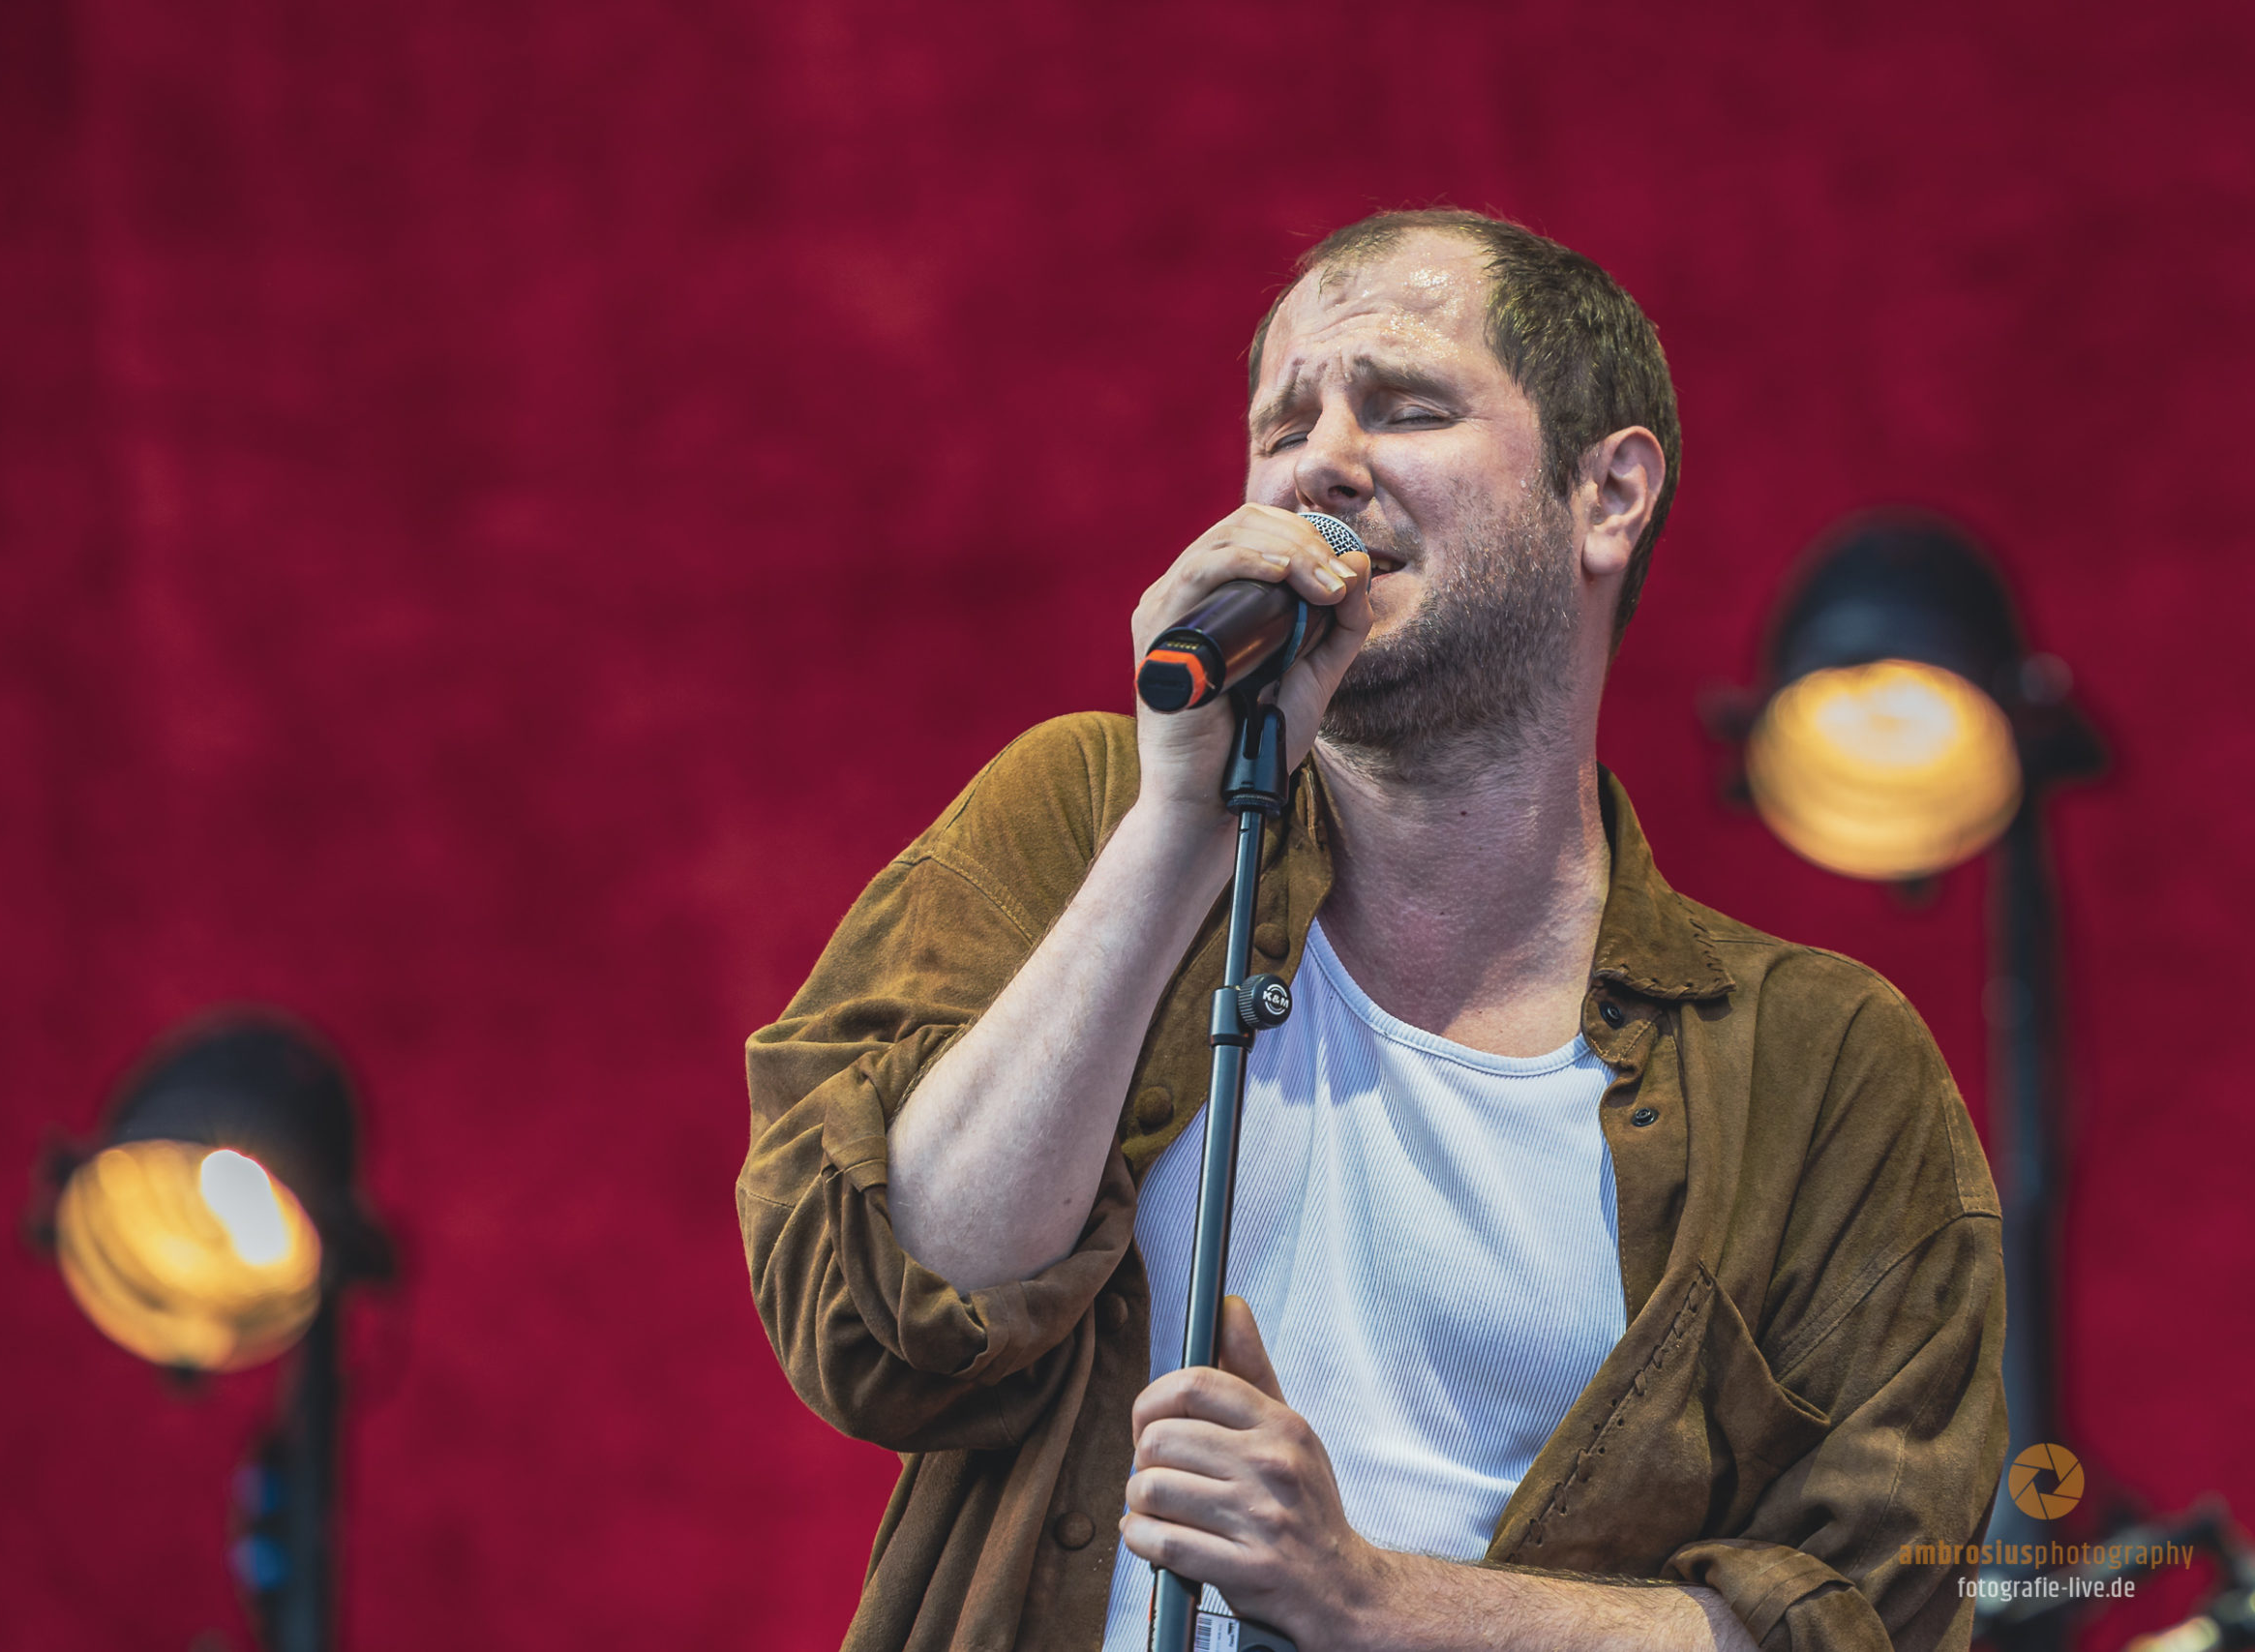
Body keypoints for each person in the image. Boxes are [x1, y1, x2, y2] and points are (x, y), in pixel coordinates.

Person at [740, 208, 2006, 1652]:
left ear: (1608, 495)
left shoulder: (1823, 1067)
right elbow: (886, 1325)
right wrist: (1176, 831)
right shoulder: (1088, 816)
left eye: (1405, 407)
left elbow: (1875, 1623)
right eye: (1284, 427)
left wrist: (1359, 1596)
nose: (1321, 466)